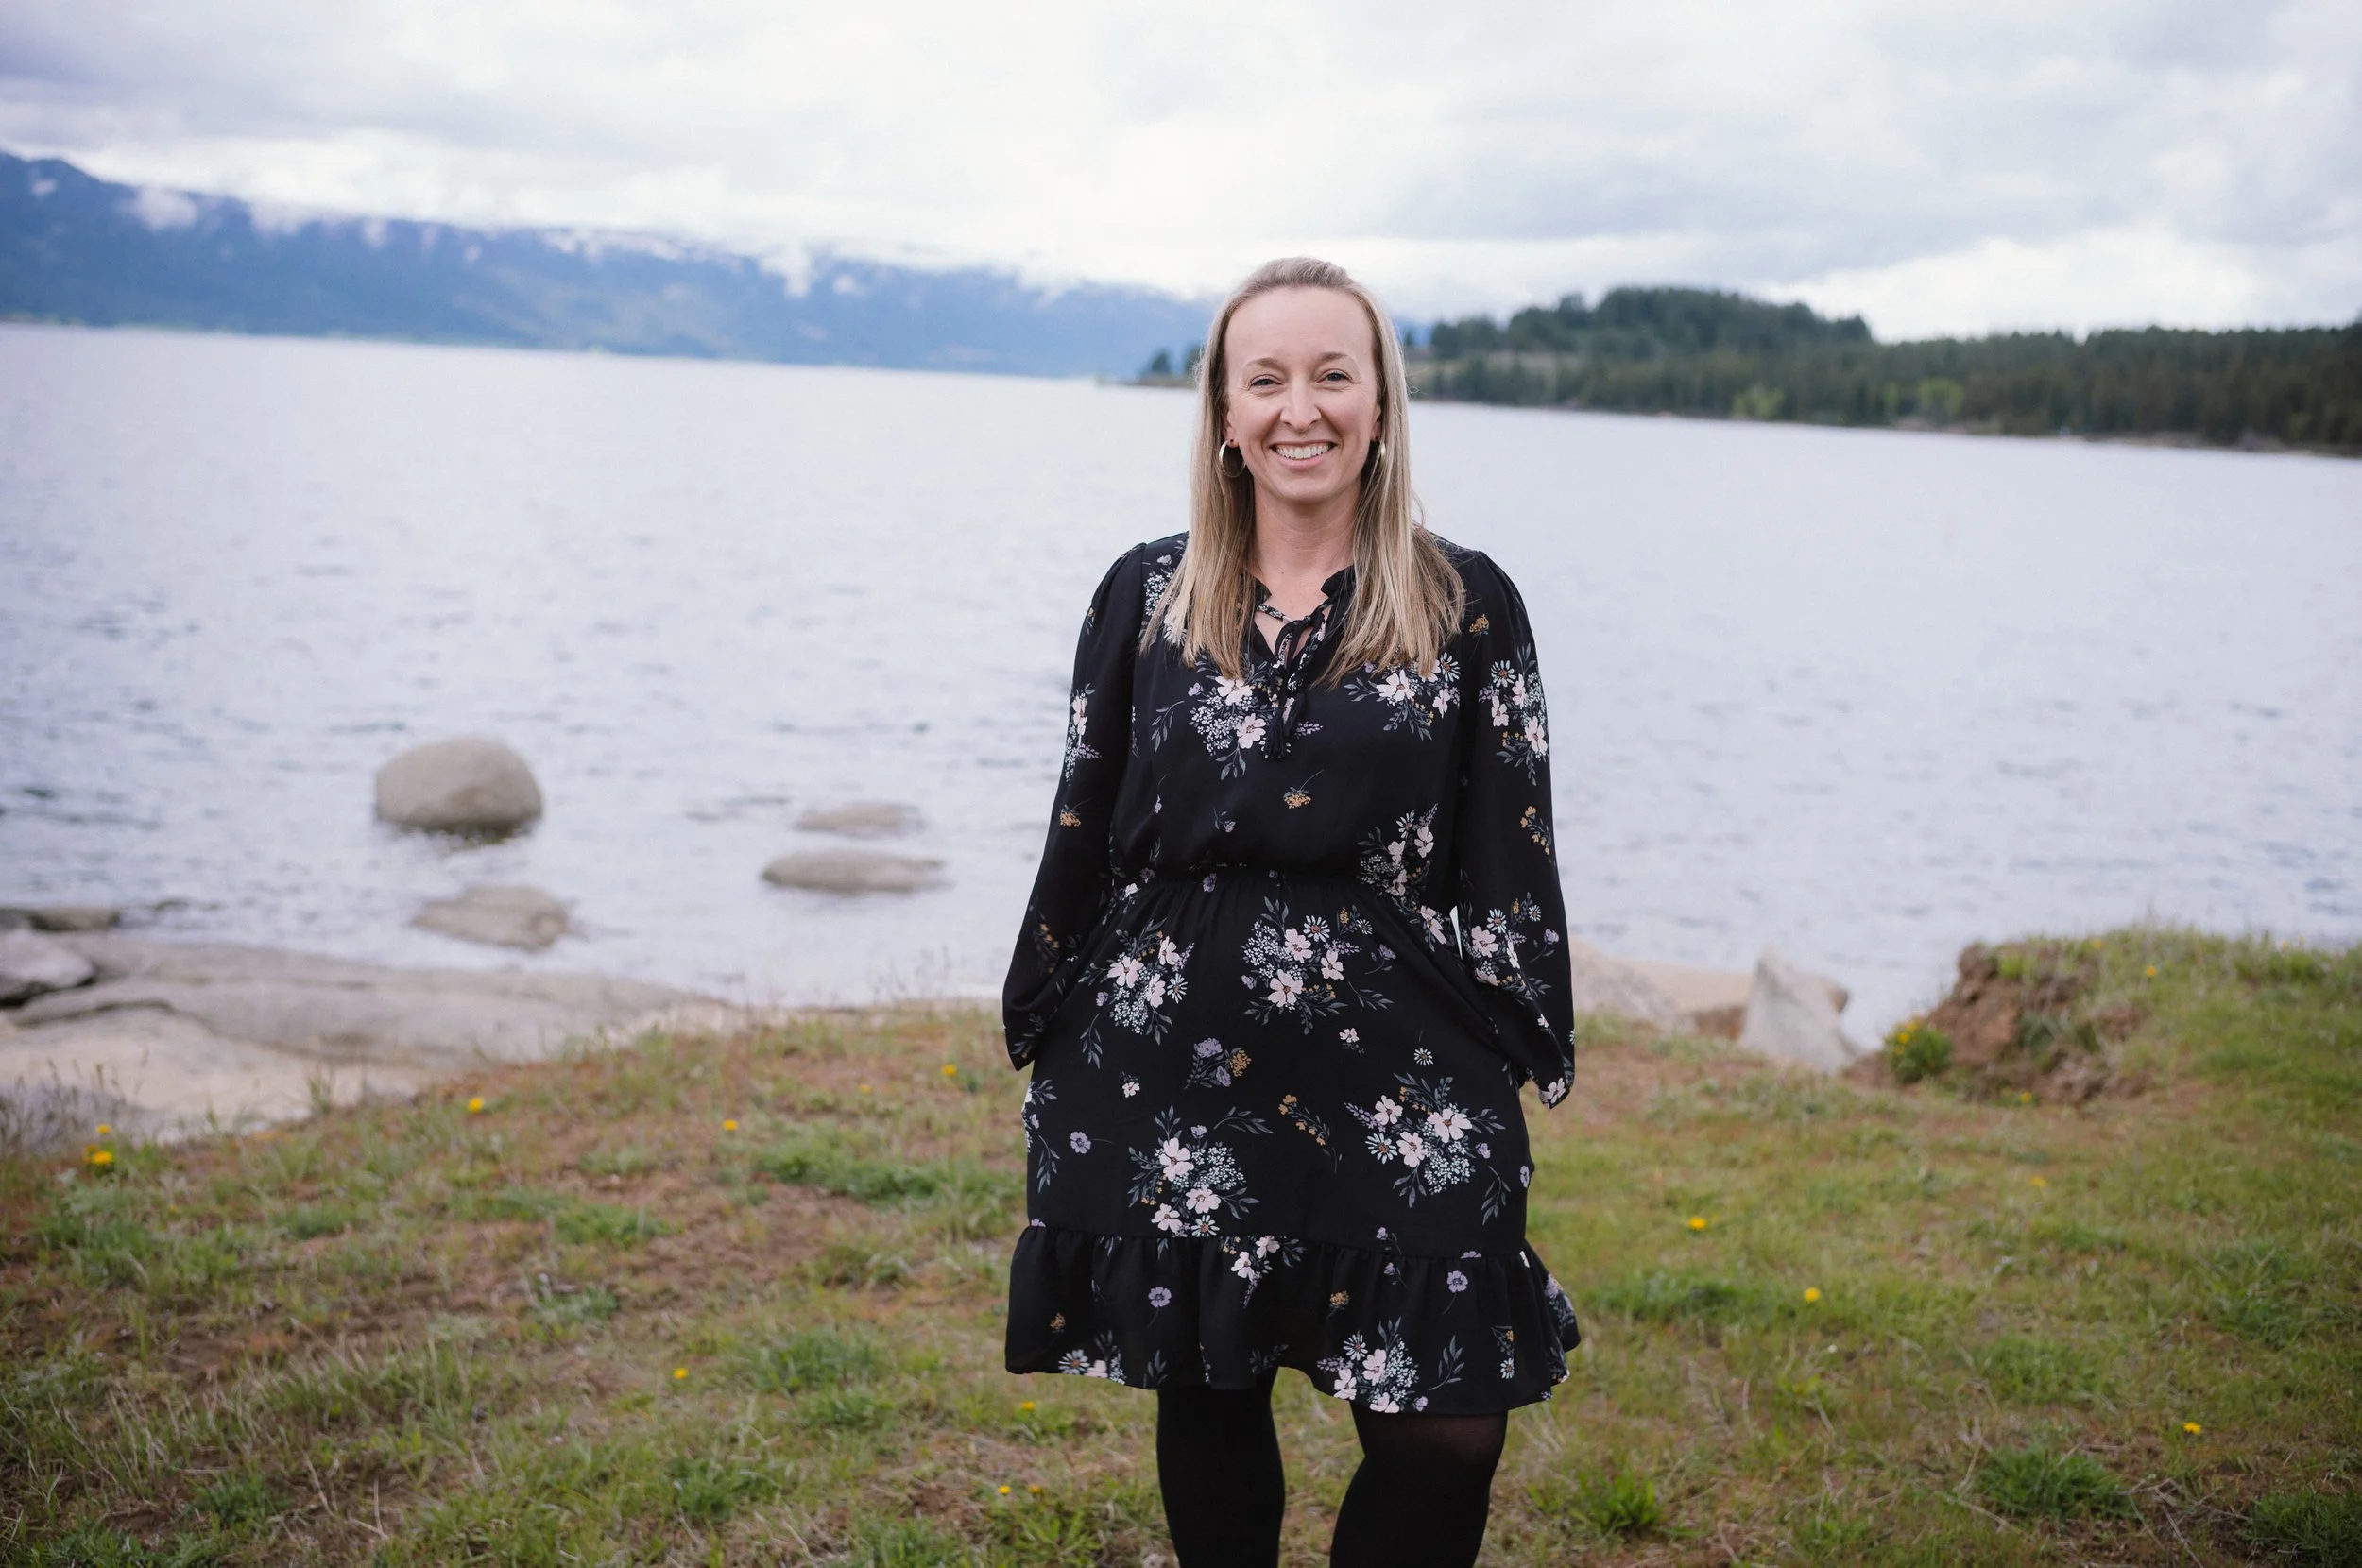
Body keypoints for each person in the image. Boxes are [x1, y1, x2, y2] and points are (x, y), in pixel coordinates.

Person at [1001, 256, 1581, 1568]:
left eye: (1332, 375)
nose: (1299, 409)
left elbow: (1513, 833)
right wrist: (1046, 992)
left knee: (1445, 1436)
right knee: (1210, 1380)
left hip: (1397, 1061)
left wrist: (1515, 1023)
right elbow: (1084, 809)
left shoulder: (1465, 602)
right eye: (1265, 379)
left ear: (1380, 404)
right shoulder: (1148, 592)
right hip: (1173, 1052)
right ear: (1224, 410)